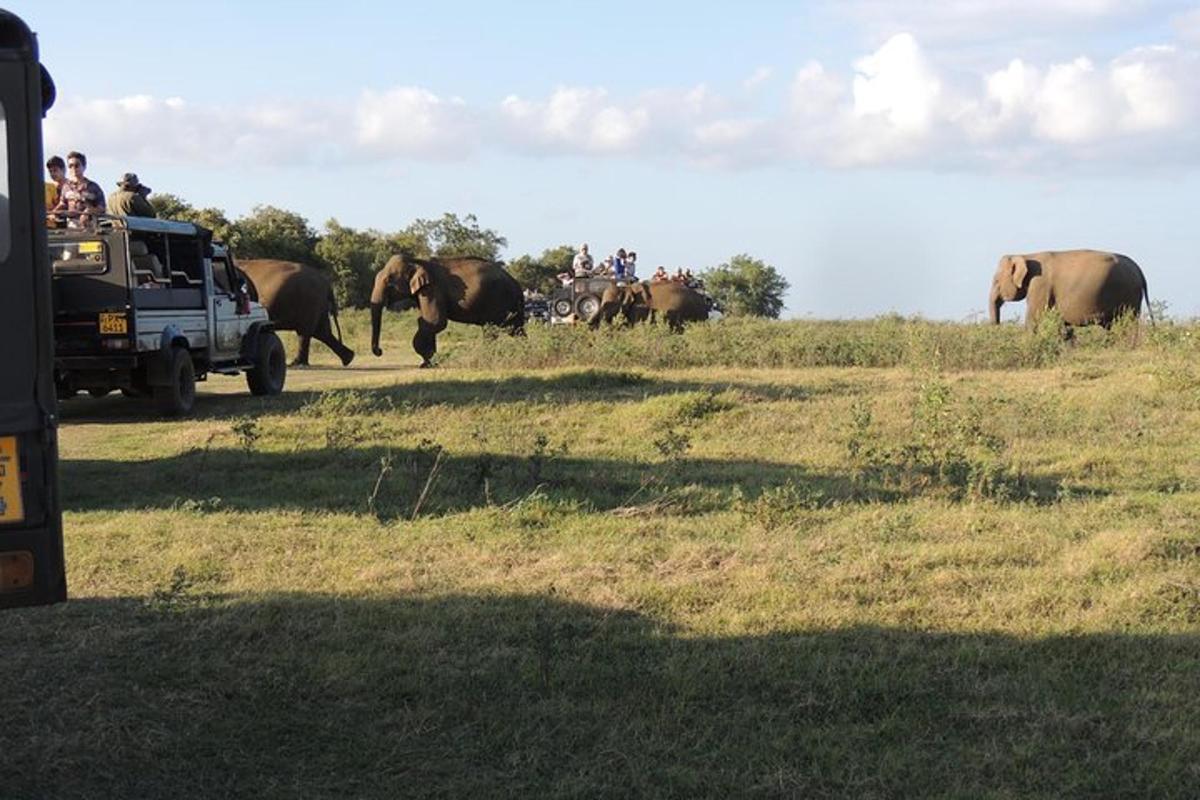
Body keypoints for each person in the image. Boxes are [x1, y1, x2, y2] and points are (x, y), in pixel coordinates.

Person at [52, 151, 105, 227]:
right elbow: (63, 203)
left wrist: (89, 211)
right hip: (71, 226)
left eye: (76, 165)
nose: (73, 168)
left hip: (90, 227)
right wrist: (54, 212)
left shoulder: (94, 187)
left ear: (84, 166)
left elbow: (102, 207)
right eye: (70, 166)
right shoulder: (66, 187)